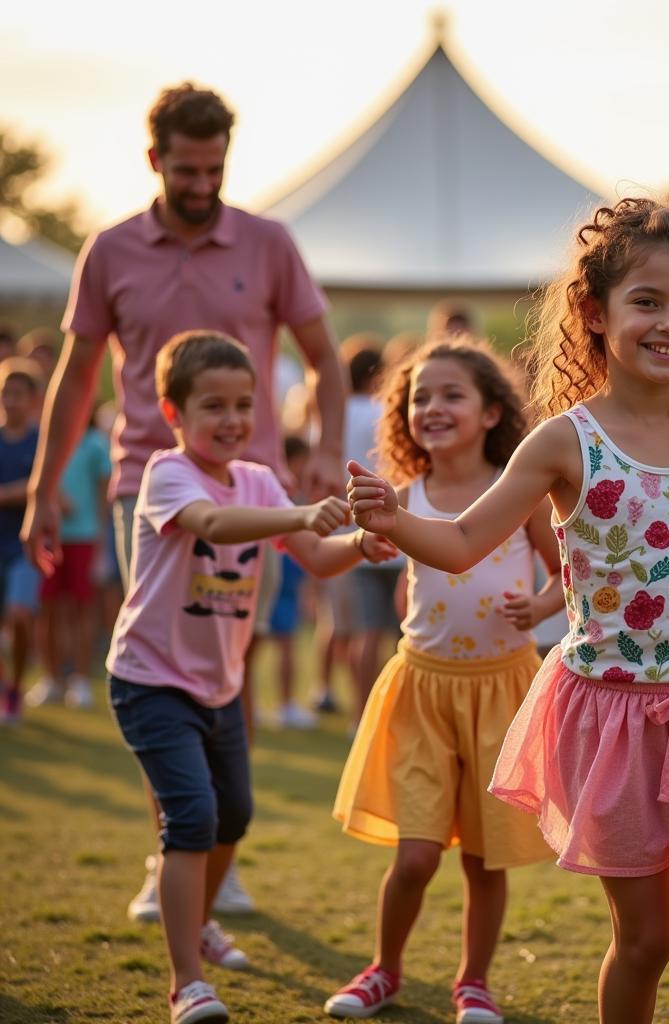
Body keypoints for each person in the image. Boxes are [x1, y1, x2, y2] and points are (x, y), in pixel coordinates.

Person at [348, 199, 669, 1024]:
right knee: (646, 940)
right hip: (612, 715)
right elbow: (460, 541)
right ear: (596, 312)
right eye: (649, 302)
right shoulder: (565, 440)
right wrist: (389, 517)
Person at [21, 81, 347, 921]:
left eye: (214, 168)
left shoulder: (269, 243)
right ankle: (173, 841)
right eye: (186, 168)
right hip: (149, 485)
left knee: (228, 659)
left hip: (259, 487)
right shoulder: (110, 249)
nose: (202, 185)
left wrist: (329, 459)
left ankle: (216, 855)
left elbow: (325, 356)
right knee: (166, 659)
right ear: (154, 159)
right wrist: (47, 491)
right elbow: (76, 377)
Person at [107, 330, 390, 1024]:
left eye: (243, 405)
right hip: (150, 679)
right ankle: (186, 983)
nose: (233, 420)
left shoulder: (260, 477)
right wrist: (297, 513)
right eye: (214, 407)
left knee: (233, 814)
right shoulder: (167, 473)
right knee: (194, 817)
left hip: (222, 684)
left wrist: (360, 542)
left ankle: (197, 922)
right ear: (175, 415)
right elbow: (213, 522)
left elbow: (316, 558)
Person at [327, 338, 564, 1022]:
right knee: (416, 857)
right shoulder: (405, 498)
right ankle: (384, 969)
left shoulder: (519, 492)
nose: (431, 406)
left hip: (503, 692)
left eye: (450, 394)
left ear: (492, 412)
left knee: (485, 861)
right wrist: (356, 531)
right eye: (418, 397)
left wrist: (541, 606)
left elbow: (567, 574)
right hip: (422, 692)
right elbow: (352, 551)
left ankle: (475, 982)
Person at [313, 337, 403, 723]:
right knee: (399, 633)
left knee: (358, 630)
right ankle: (396, 713)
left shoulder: (333, 416)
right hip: (391, 529)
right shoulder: (384, 411)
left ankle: (360, 714)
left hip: (344, 535)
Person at [26, 405, 111, 709]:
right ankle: (51, 678)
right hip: (50, 536)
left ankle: (79, 680)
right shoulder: (48, 441)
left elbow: (104, 496)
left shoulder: (95, 444)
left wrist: (101, 541)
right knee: (48, 609)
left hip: (85, 538)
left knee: (81, 609)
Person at [0, 358, 43, 725]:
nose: (10, 401)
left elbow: (43, 489)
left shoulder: (40, 441)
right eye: (5, 393)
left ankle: (15, 685)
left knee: (19, 615)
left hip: (24, 546)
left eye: (18, 394)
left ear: (32, 399)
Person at [268, 435, 317, 729]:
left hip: (286, 576)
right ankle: (285, 705)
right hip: (284, 577)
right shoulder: (289, 494)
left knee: (266, 641)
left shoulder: (290, 492)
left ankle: (280, 703)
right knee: (284, 643)